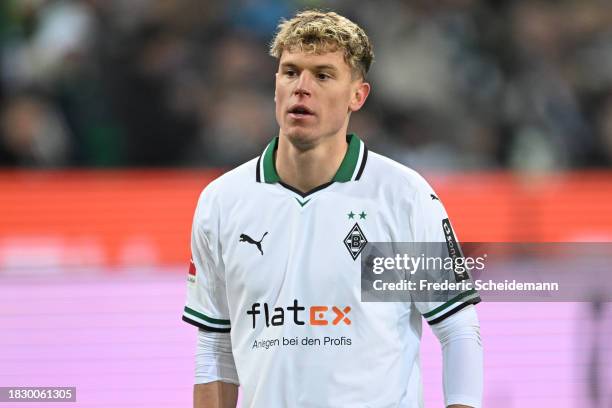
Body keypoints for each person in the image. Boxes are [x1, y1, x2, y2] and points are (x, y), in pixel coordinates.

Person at [182, 10, 483, 408]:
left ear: (357, 95)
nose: (301, 88)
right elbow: (216, 348)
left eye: (323, 75)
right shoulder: (222, 202)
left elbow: (457, 327)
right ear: (275, 84)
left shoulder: (402, 198)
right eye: (290, 72)